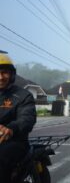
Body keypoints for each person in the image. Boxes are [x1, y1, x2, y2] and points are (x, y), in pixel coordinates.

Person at [0, 51, 36, 182]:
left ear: (11, 74)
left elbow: (27, 117)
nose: (1, 77)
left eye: (4, 72)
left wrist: (11, 128)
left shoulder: (23, 95)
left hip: (15, 140)